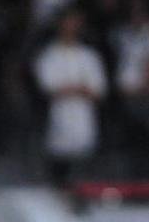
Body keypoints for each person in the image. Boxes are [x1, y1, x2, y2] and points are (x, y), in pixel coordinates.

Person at [34, 9, 107, 183]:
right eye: (68, 22)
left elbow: (98, 90)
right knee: (60, 171)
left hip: (84, 122)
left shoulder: (89, 56)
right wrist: (79, 88)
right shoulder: (49, 55)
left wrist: (72, 88)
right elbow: (49, 88)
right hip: (59, 120)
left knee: (85, 173)